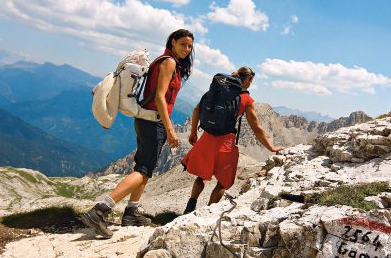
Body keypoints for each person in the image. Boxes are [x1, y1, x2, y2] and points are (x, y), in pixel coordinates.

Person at [81, 29, 194, 238]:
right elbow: (160, 97)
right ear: (173, 42)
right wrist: (170, 129)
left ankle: (132, 211)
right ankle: (100, 210)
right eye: (183, 44)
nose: (187, 49)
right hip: (154, 122)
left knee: (145, 167)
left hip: (144, 119)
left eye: (189, 46)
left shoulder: (162, 60)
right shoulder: (169, 62)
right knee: (143, 170)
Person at [181, 66, 283, 214]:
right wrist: (271, 147)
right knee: (223, 182)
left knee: (201, 176)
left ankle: (191, 205)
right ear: (248, 79)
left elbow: (197, 110)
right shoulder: (246, 99)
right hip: (226, 143)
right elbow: (257, 128)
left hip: (207, 138)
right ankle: (206, 212)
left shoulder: (217, 90)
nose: (250, 84)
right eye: (251, 81)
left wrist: (193, 133)